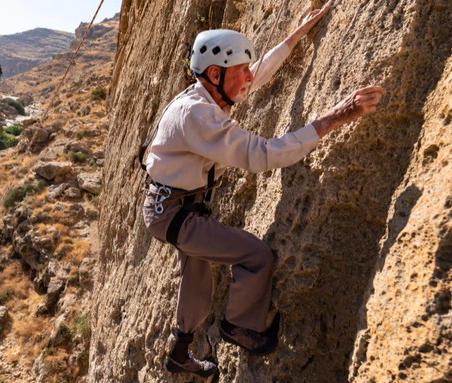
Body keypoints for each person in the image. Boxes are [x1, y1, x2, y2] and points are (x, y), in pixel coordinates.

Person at [140, 2, 384, 377]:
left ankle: (179, 353)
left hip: (172, 208)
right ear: (217, 73)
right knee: (255, 256)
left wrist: (295, 36)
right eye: (241, 71)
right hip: (175, 213)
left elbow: (257, 74)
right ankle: (240, 326)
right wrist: (339, 115)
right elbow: (263, 154)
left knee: (196, 277)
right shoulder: (198, 115)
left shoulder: (208, 92)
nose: (248, 78)